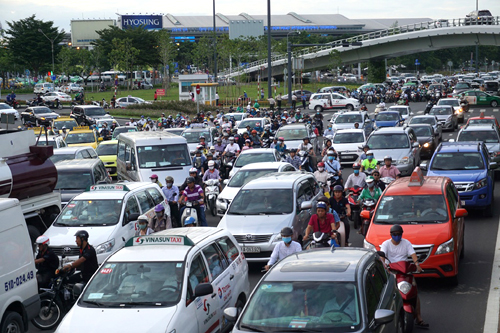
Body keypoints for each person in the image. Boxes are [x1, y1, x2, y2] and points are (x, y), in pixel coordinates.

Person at [379, 225, 428, 328]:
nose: (397, 236)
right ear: (391, 235)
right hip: (392, 272)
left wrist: (417, 265)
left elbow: (413, 254)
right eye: (395, 234)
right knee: (386, 293)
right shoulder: (386, 244)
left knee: (414, 291)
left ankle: (418, 317)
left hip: (405, 272)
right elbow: (382, 256)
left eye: (399, 234)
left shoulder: (406, 243)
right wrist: (384, 266)